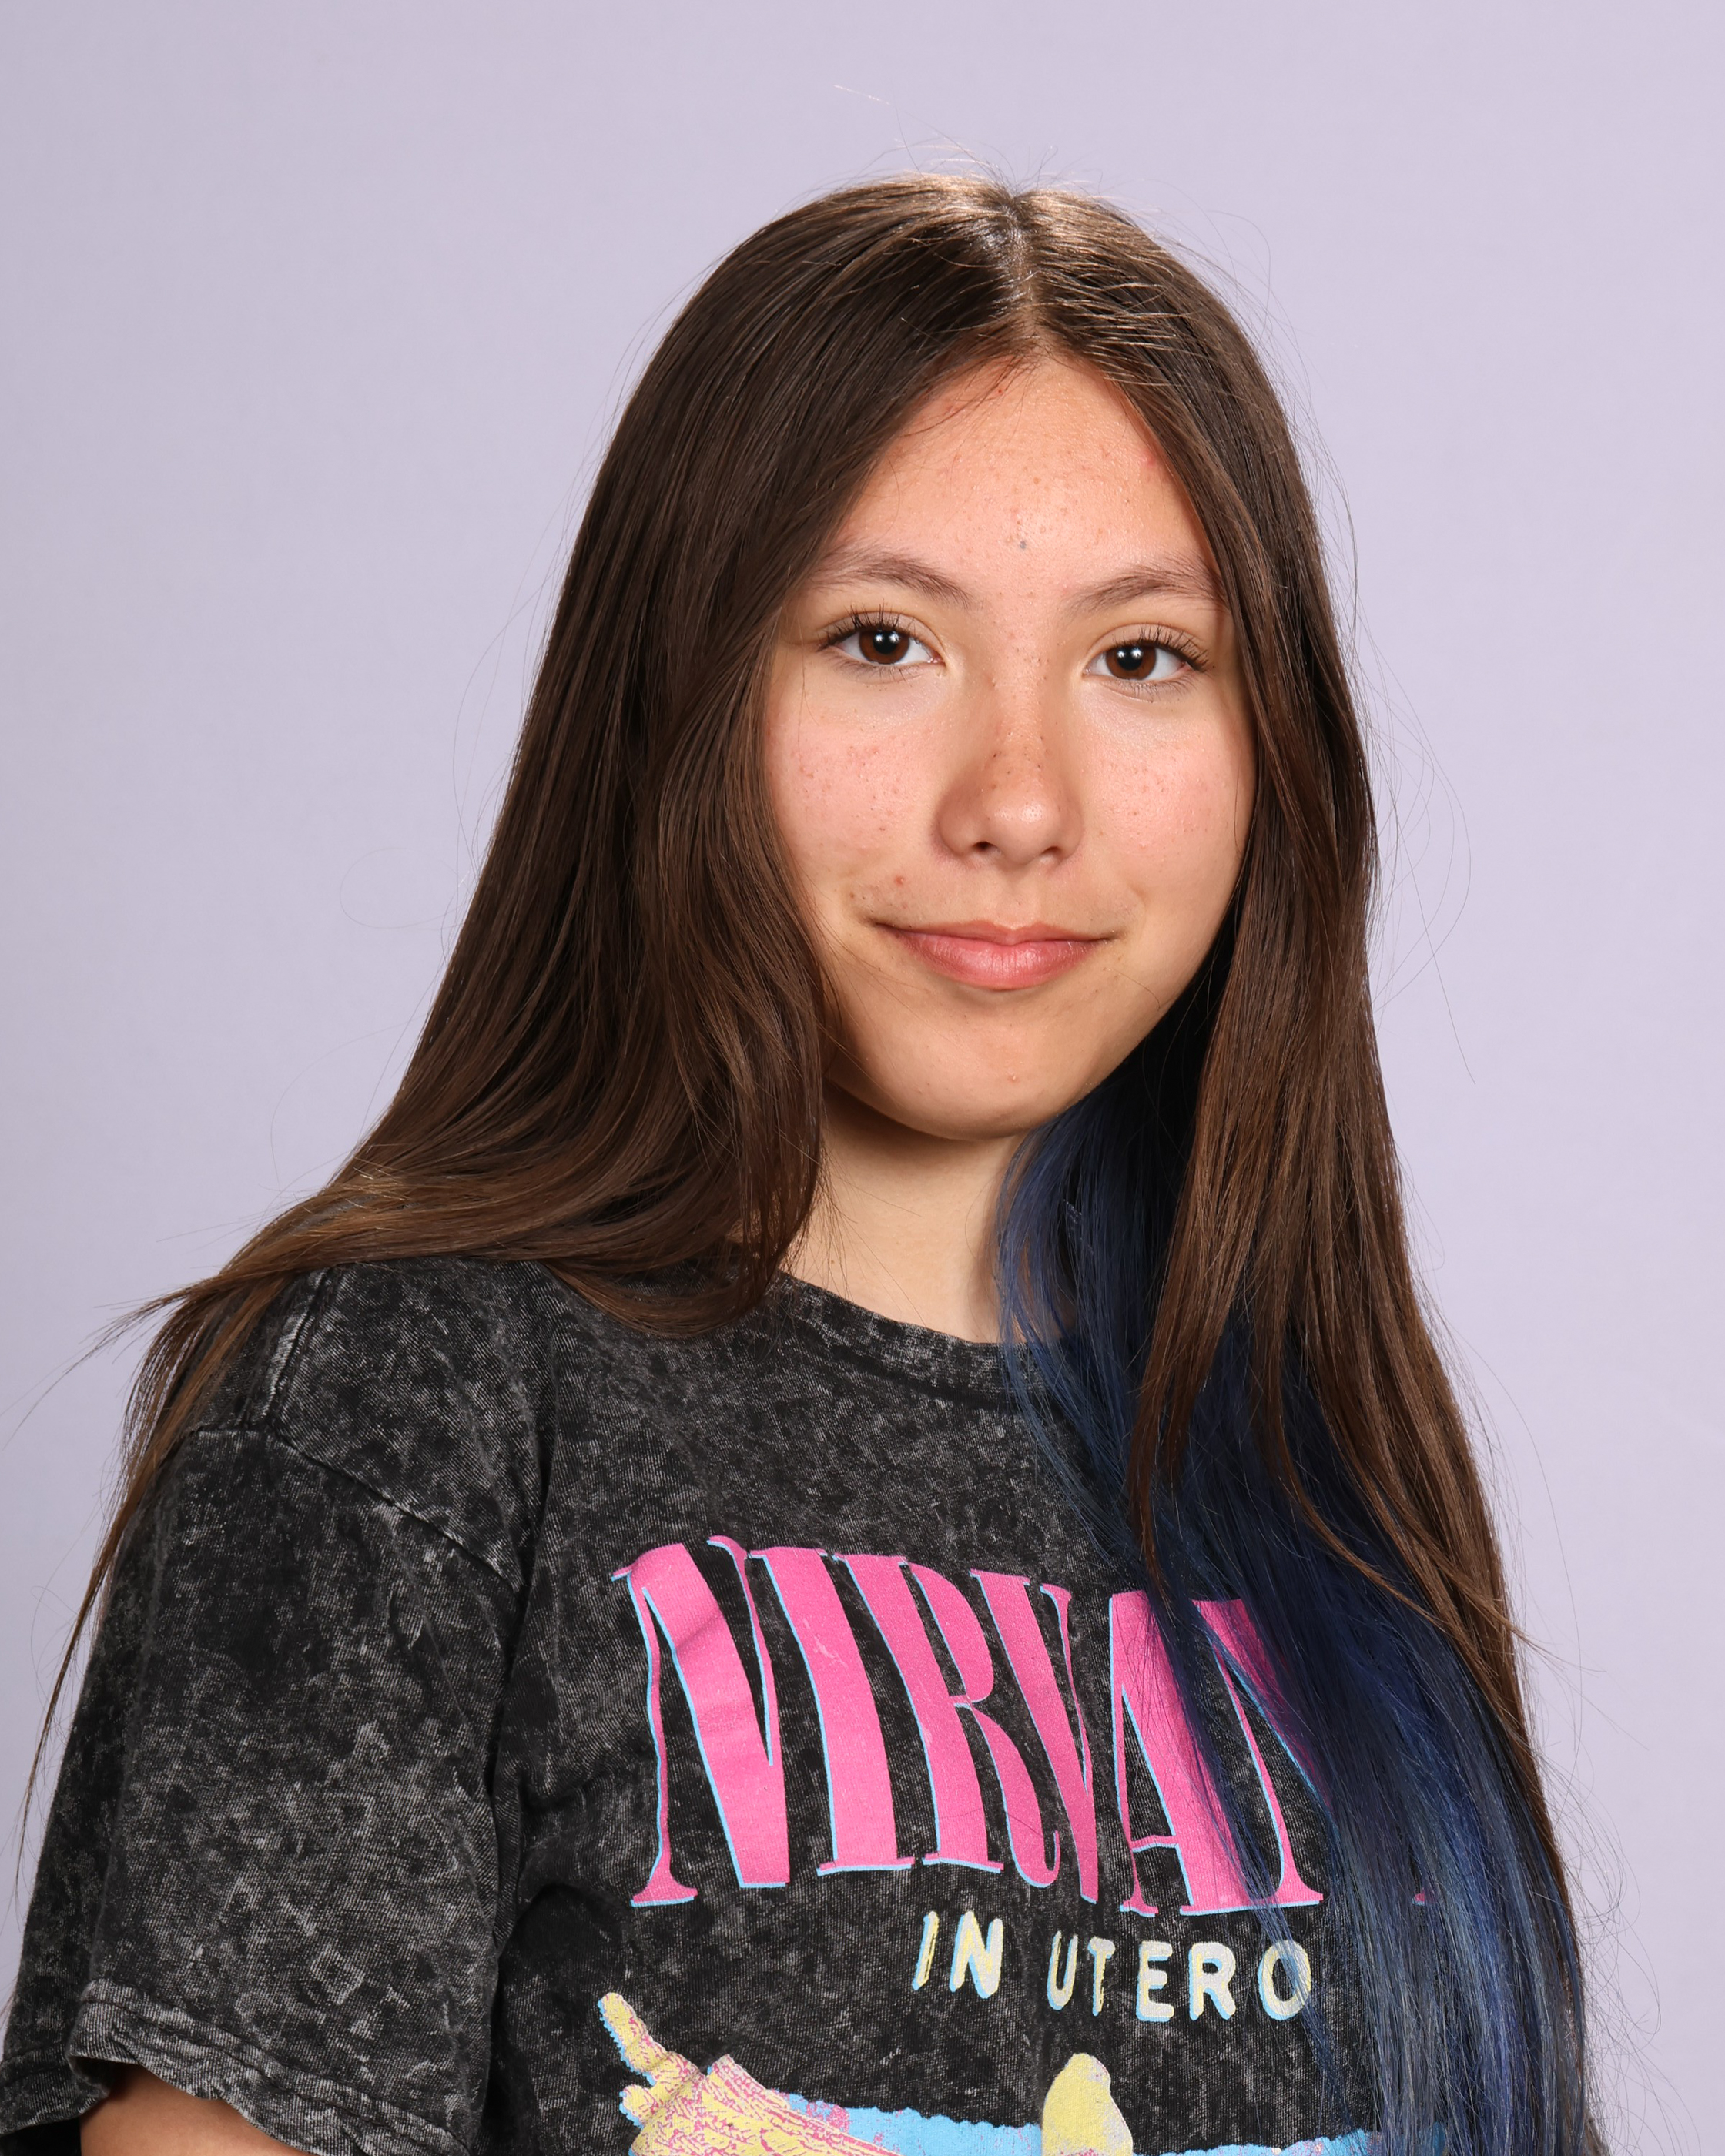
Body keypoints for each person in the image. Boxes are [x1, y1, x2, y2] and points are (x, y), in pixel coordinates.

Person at [0, 176, 1593, 2156]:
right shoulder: (413, 1410)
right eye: (881, 637)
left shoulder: (1327, 1466)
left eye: (1140, 656)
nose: (1016, 802)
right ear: (683, 695)